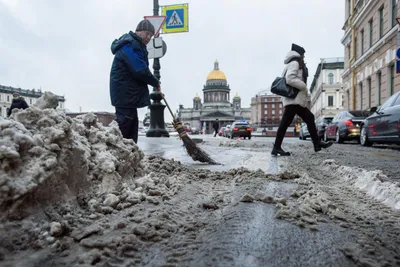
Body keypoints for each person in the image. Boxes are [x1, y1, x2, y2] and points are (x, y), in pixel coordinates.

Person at [271, 43, 333, 156]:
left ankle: (316, 144)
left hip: (295, 100)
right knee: (287, 123)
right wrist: (303, 86)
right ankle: (277, 148)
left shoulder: (293, 63)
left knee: (308, 118)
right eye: (303, 55)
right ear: (299, 54)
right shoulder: (294, 63)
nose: (304, 57)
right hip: (294, 99)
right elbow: (289, 79)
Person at [109, 19, 160, 144]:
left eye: (151, 35)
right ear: (138, 31)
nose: (148, 37)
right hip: (124, 93)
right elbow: (140, 69)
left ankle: (130, 154)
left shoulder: (136, 45)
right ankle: (117, 153)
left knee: (132, 125)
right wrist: (155, 82)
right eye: (146, 33)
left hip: (129, 94)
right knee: (125, 125)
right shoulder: (130, 45)